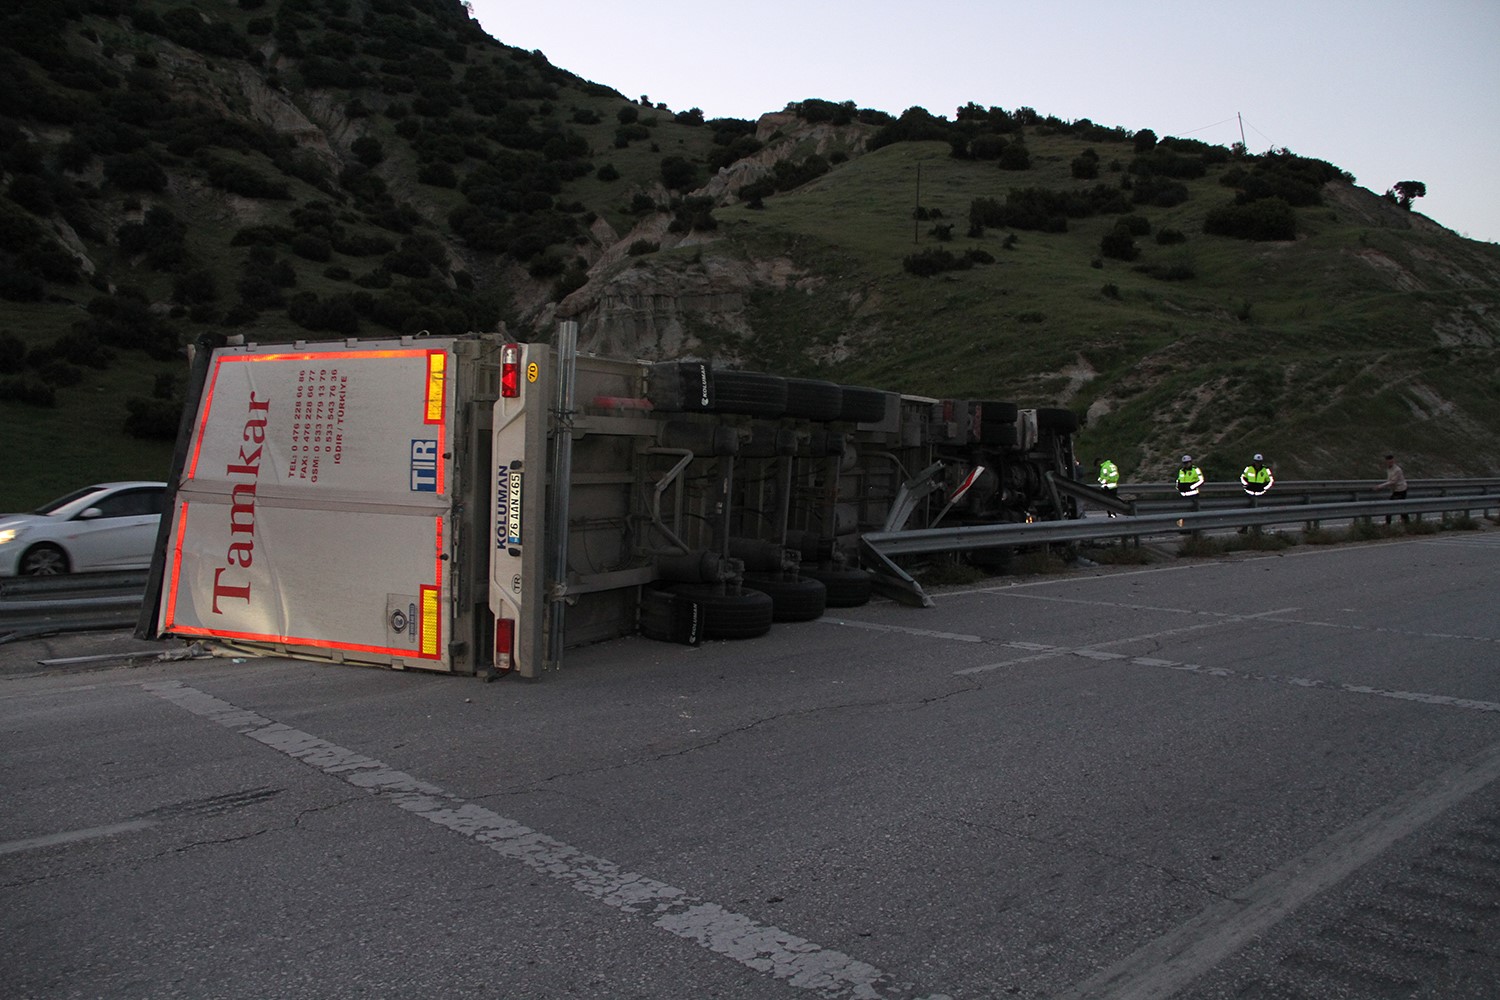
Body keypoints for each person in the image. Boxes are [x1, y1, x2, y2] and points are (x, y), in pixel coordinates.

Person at [1375, 453, 1409, 524]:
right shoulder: (1389, 469)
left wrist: (1380, 486)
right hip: (1395, 490)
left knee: (1390, 506)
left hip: (1401, 490)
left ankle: (1388, 523)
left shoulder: (1397, 470)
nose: (1390, 463)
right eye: (1388, 462)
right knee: (1401, 507)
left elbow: (1393, 481)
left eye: (1391, 461)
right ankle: (1407, 523)